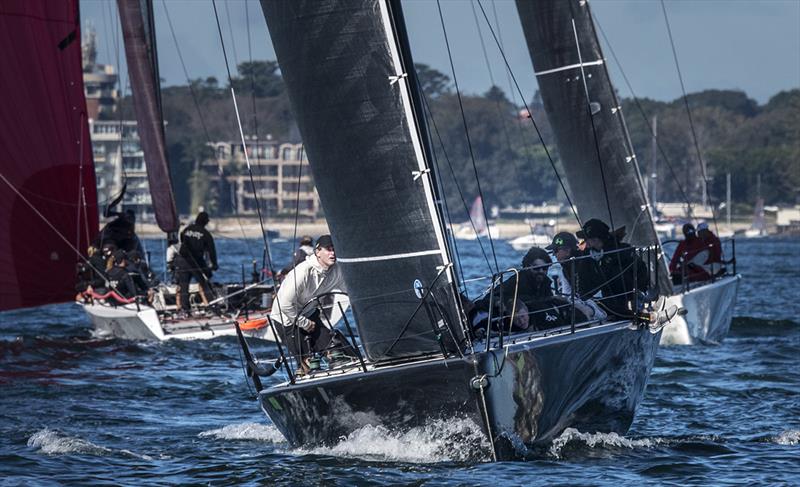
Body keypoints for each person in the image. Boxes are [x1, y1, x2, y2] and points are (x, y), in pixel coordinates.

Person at [269, 235, 354, 373]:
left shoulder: (337, 270)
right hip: (285, 319)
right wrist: (304, 323)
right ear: (318, 252)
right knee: (308, 365)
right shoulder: (303, 272)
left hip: (310, 313)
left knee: (339, 352)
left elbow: (351, 293)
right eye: (328, 249)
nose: (333, 253)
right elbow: (285, 305)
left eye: (335, 249)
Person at [472, 246, 587, 333]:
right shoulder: (516, 282)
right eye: (537, 268)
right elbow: (489, 299)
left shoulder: (545, 282)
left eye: (545, 268)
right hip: (516, 325)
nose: (541, 272)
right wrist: (501, 302)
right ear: (527, 266)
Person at [575, 219, 649, 317]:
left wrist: (640, 290)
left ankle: (641, 315)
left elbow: (640, 269)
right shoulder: (586, 256)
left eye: (588, 238)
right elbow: (583, 278)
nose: (585, 242)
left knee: (618, 273)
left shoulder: (622, 251)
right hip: (601, 299)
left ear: (597, 239)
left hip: (626, 294)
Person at [545, 232, 607, 322]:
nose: (554, 254)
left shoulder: (586, 262)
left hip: (600, 304)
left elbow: (597, 289)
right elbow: (567, 293)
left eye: (555, 250)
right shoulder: (565, 268)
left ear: (567, 250)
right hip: (583, 303)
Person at [176, 211, 217, 311]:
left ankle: (185, 310)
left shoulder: (187, 229)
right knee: (204, 282)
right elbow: (212, 251)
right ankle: (211, 305)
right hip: (195, 261)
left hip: (182, 259)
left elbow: (182, 238)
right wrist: (214, 264)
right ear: (205, 222)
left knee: (184, 285)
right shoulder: (206, 234)